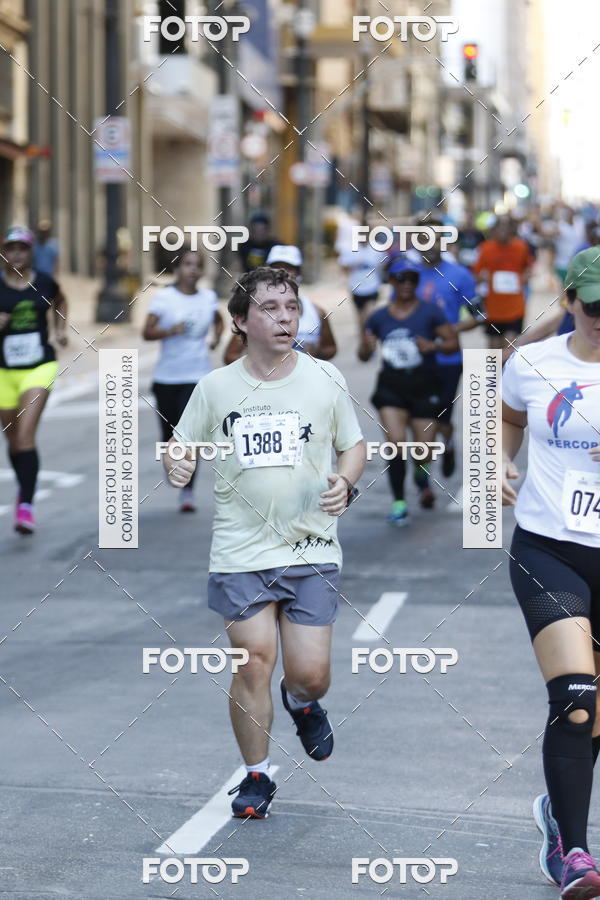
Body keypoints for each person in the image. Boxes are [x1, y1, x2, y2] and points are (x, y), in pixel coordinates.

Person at [162, 266, 366, 818]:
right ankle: (255, 776)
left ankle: (302, 702)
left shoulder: (325, 378)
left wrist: (345, 482)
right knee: (253, 663)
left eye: (292, 308)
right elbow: (180, 446)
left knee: (309, 674)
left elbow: (354, 446)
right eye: (271, 309)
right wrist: (177, 463)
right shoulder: (216, 387)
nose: (284, 318)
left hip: (311, 548)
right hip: (240, 551)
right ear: (240, 321)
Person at [502, 246, 600, 898]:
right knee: (575, 699)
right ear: (569, 302)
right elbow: (504, 418)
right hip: (549, 547)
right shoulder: (535, 363)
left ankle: (554, 814)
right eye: (595, 307)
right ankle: (574, 850)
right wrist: (498, 464)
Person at [357, 258, 458, 525]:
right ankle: (399, 502)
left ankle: (421, 474)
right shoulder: (379, 317)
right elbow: (363, 354)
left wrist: (434, 347)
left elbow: (452, 343)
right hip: (391, 388)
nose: (406, 284)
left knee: (423, 450)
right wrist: (367, 347)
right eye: (400, 279)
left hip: (424, 387)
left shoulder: (430, 311)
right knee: (397, 444)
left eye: (412, 279)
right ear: (391, 281)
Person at [143, 250, 223, 512]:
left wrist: (215, 339)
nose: (193, 270)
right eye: (188, 265)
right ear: (177, 268)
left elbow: (219, 320)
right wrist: (170, 330)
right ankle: (173, 463)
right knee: (169, 435)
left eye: (197, 266)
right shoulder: (164, 298)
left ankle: (187, 490)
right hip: (167, 376)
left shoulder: (208, 297)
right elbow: (147, 331)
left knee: (189, 435)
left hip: (197, 376)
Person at [0, 226, 67, 533]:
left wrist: (61, 329)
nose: (16, 254)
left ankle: (26, 506)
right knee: (14, 442)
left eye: (22, 249)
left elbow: (61, 301)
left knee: (25, 436)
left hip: (39, 366)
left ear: (30, 253)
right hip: (4, 373)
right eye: (11, 248)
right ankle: (24, 489)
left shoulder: (44, 282)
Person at [408, 221, 484, 477]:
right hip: (413, 360)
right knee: (418, 415)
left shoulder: (460, 274)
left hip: (448, 359)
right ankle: (423, 471)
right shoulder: (407, 275)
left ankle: (448, 445)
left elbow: (480, 316)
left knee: (441, 418)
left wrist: (450, 331)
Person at [223, 245, 337, 364]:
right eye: (276, 268)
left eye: (289, 268)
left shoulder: (316, 312)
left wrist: (316, 350)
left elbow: (330, 348)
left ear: (299, 272)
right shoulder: (255, 313)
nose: (283, 274)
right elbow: (231, 355)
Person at [472, 216, 534, 350]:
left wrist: (525, 277)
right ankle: (494, 371)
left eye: (507, 227)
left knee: (509, 349)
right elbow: (476, 274)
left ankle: (507, 371)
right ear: (493, 230)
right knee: (493, 350)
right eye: (500, 227)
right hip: (493, 308)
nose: (503, 230)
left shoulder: (521, 247)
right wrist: (482, 278)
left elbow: (528, 268)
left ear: (512, 229)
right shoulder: (485, 248)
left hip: (515, 306)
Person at [338, 223, 386, 328]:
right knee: (359, 321)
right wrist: (354, 265)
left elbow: (384, 264)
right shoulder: (350, 249)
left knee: (368, 317)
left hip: (372, 287)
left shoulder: (377, 248)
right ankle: (363, 342)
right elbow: (343, 267)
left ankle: (370, 340)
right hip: (356, 288)